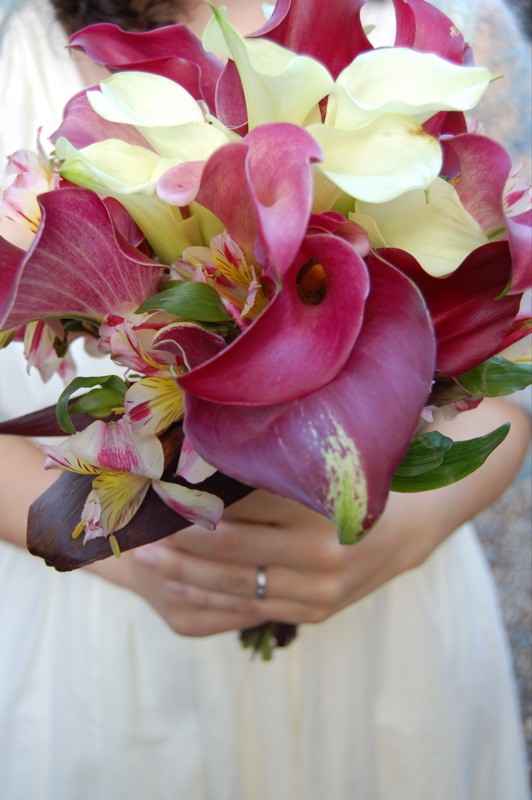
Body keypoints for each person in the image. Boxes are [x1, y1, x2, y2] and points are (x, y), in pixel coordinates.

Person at [0, 1, 530, 799]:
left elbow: (511, 386)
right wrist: (135, 561)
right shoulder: (17, 58)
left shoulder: (458, 28)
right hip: (110, 658)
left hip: (385, 634)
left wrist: (401, 528)